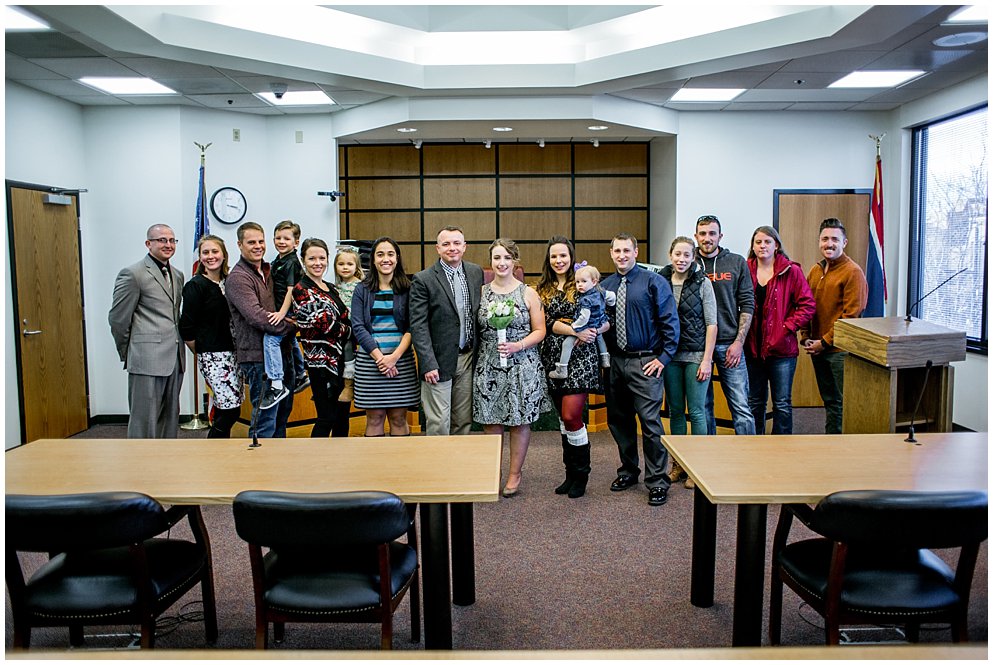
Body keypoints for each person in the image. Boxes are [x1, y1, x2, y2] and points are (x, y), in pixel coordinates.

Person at [601, 233, 680, 507]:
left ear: (635, 252)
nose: (622, 255)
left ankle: (658, 481)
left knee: (650, 424)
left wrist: (665, 357)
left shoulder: (654, 282)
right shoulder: (605, 286)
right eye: (617, 251)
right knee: (619, 421)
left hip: (645, 362)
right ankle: (628, 471)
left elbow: (670, 322)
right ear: (611, 254)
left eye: (627, 250)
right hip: (614, 362)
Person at [473, 238, 547, 497]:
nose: (501, 263)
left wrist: (519, 345)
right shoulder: (481, 292)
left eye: (506, 258)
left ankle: (515, 473)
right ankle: (492, 470)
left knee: (519, 421)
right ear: (491, 261)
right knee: (490, 421)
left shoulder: (528, 292)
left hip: (521, 363)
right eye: (496, 258)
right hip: (488, 362)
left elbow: (540, 330)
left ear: (515, 261)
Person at [537, 236, 608, 499]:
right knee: (563, 421)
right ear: (549, 259)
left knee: (571, 416)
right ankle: (570, 474)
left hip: (581, 358)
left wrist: (592, 331)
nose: (559, 260)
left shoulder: (584, 281)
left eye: (563, 256)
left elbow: (605, 320)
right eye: (554, 256)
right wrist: (574, 330)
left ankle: (582, 474)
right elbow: (546, 322)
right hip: (554, 358)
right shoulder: (542, 288)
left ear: (571, 257)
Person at [108, 224, 185, 438]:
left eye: (172, 240)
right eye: (161, 240)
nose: (168, 244)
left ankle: (166, 463)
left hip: (174, 358)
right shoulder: (133, 274)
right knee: (144, 420)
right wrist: (129, 352)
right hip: (146, 358)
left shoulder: (177, 275)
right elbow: (118, 319)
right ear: (148, 243)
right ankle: (139, 466)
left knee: (170, 418)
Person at [409, 226, 484, 436]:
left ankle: (458, 467)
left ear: (465, 246)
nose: (452, 248)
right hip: (438, 362)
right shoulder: (423, 279)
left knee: (463, 421)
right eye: (446, 244)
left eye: (457, 243)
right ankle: (436, 468)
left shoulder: (475, 272)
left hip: (468, 358)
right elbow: (418, 325)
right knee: (439, 423)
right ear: (438, 248)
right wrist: (427, 363)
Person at [225, 221, 296, 439]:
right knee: (265, 420)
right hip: (258, 357)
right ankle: (259, 468)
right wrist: (293, 325)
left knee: (282, 416)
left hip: (282, 352)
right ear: (239, 244)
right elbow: (257, 317)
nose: (258, 246)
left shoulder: (269, 269)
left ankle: (278, 466)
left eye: (261, 241)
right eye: (251, 242)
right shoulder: (238, 278)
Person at [658, 236, 717, 489]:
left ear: (694, 258)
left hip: (695, 356)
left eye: (686, 255)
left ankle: (698, 467)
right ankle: (678, 465)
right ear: (670, 255)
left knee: (696, 411)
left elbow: (712, 324)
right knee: (675, 412)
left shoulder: (703, 282)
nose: (681, 259)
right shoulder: (660, 281)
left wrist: (707, 360)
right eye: (677, 254)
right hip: (670, 356)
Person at [744, 226, 815, 435]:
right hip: (752, 349)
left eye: (767, 242)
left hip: (782, 350)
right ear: (753, 246)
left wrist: (787, 327)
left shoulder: (791, 270)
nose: (762, 246)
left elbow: (807, 305)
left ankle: (782, 448)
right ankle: (755, 445)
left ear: (776, 246)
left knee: (782, 403)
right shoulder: (746, 268)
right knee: (755, 401)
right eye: (758, 242)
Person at [800, 218, 868, 434]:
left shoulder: (852, 272)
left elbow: (851, 316)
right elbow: (805, 305)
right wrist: (805, 336)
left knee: (843, 402)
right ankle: (831, 442)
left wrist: (825, 342)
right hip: (818, 349)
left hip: (839, 351)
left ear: (844, 242)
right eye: (825, 239)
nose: (829, 244)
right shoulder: (815, 270)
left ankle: (842, 447)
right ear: (819, 241)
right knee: (829, 400)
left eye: (835, 239)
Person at [695, 215, 756, 435]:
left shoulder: (736, 262)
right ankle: (709, 461)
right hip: (697, 348)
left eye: (712, 233)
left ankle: (749, 455)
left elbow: (748, 304)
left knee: (741, 406)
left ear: (720, 236)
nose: (707, 238)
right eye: (703, 234)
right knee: (703, 407)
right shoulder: (687, 262)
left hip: (729, 345)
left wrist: (739, 342)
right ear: (696, 236)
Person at [351, 237, 419, 437]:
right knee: (375, 418)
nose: (385, 259)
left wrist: (394, 358)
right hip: (371, 363)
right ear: (372, 259)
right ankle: (375, 468)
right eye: (380, 254)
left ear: (397, 258)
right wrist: (381, 359)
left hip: (401, 362)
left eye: (390, 254)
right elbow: (358, 326)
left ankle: (401, 467)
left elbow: (412, 326)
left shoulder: (408, 288)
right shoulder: (362, 289)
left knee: (399, 418)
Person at [178, 235, 244, 438]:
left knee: (233, 408)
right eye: (205, 252)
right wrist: (204, 350)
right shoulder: (196, 285)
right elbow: (186, 326)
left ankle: (221, 453)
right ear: (200, 257)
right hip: (213, 356)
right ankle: (213, 452)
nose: (210, 256)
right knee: (229, 410)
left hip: (234, 354)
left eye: (215, 251)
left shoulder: (228, 282)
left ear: (224, 255)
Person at [291, 238, 351, 437]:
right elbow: (326, 325)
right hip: (321, 365)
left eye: (322, 258)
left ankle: (341, 464)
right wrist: (351, 331)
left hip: (339, 360)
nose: (318, 263)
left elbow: (344, 317)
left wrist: (346, 325)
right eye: (312, 258)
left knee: (342, 415)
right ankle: (316, 463)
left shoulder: (330, 287)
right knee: (326, 417)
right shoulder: (301, 290)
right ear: (303, 260)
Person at [261, 220, 307, 408]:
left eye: (286, 238)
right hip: (282, 307)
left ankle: (277, 383)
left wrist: (281, 313)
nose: (281, 241)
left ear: (296, 242)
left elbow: (290, 290)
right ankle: (301, 374)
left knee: (271, 338)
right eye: (278, 238)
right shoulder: (278, 260)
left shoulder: (291, 263)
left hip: (286, 308)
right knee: (290, 339)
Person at [547, 264, 612, 379]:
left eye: (583, 281)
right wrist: (611, 302)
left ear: (594, 281)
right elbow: (611, 296)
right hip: (598, 322)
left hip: (585, 326)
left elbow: (584, 317)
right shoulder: (601, 292)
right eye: (577, 282)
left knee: (567, 344)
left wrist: (575, 327)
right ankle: (605, 359)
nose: (580, 285)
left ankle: (562, 369)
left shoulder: (585, 299)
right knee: (599, 337)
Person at [331, 245, 364, 437]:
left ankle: (349, 384)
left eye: (350, 264)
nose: (345, 267)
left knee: (349, 349)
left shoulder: (360, 285)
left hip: (354, 327)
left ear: (356, 266)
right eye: (341, 264)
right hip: (337, 331)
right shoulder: (333, 287)